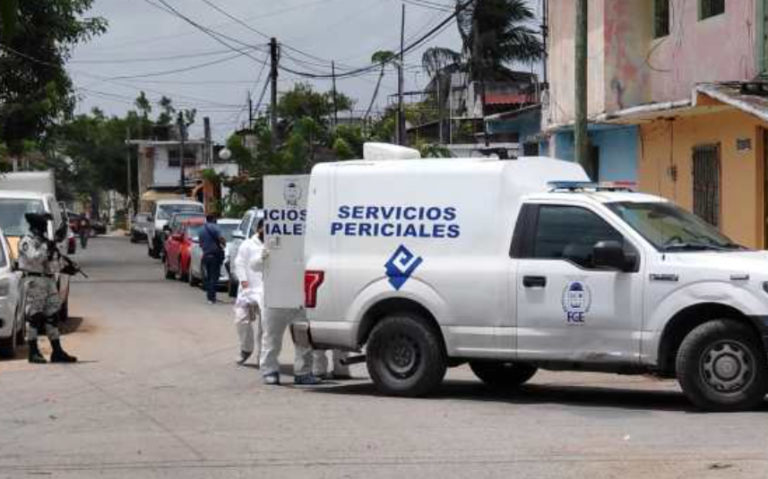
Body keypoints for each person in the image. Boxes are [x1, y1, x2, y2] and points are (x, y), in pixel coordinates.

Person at [254, 247, 322, 386]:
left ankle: (303, 373)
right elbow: (254, 266)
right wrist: (263, 257)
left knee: (303, 339)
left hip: (298, 299)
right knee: (272, 337)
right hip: (274, 300)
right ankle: (269, 371)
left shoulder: (304, 246)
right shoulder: (271, 247)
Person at [18, 213, 77, 364]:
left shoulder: (44, 242)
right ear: (35, 227)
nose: (45, 229)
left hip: (49, 280)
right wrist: (47, 246)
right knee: (35, 316)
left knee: (52, 315)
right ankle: (33, 351)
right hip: (35, 280)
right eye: (43, 226)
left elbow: (52, 263)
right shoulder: (27, 241)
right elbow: (35, 258)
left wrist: (65, 266)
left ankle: (57, 351)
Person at [233, 219, 265, 366]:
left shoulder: (275, 245)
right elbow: (239, 263)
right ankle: (246, 349)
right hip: (248, 288)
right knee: (241, 320)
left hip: (265, 291)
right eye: (265, 228)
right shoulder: (248, 244)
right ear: (259, 229)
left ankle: (262, 357)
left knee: (265, 326)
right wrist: (244, 282)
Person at [198, 214, 226, 304]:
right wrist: (224, 244)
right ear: (213, 219)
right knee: (214, 277)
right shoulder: (215, 227)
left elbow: (200, 244)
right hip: (215, 255)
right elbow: (221, 238)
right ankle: (212, 298)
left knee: (209, 276)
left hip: (206, 255)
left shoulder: (201, 229)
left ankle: (209, 297)